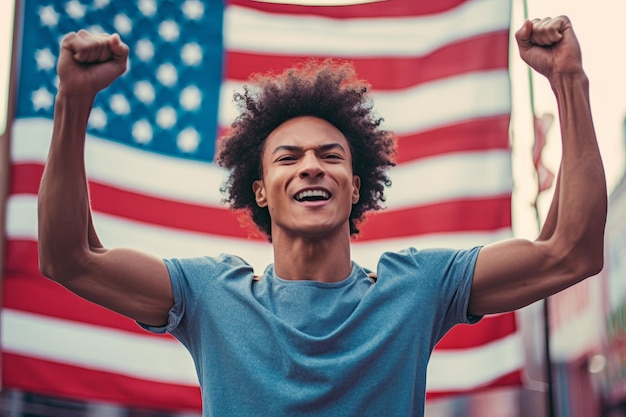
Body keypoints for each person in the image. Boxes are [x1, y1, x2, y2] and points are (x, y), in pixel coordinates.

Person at [38, 16, 606, 417]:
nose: (312, 167)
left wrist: (569, 81)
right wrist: (74, 100)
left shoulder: (417, 287)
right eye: (288, 158)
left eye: (331, 156)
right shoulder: (209, 294)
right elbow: (71, 259)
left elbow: (569, 252)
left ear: (355, 186)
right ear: (260, 191)